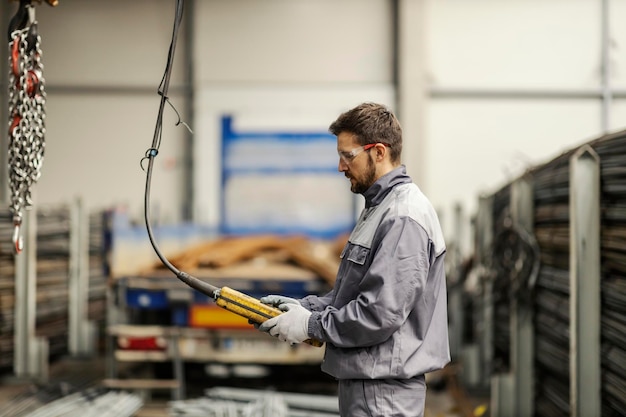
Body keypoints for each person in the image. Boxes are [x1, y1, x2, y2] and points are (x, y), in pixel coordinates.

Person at [258, 102, 450, 417]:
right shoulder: (379, 209)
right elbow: (352, 294)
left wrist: (311, 325)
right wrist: (306, 308)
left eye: (348, 156)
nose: (340, 166)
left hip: (384, 392)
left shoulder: (403, 216)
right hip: (366, 382)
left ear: (379, 152)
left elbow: (379, 313)